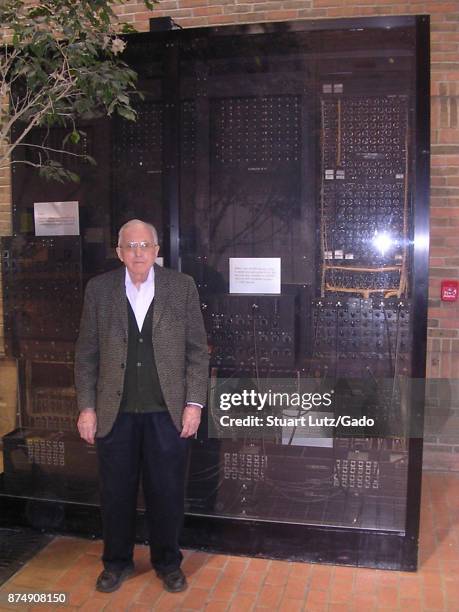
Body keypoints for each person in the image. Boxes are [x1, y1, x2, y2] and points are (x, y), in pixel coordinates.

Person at [74, 219, 209, 594]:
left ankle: (168, 563)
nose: (137, 253)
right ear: (119, 252)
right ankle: (116, 562)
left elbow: (198, 352)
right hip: (113, 414)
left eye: (144, 245)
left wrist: (194, 404)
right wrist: (87, 407)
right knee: (115, 492)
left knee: (167, 492)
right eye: (130, 246)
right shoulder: (98, 290)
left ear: (156, 250)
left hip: (168, 413)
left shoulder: (180, 287)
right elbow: (86, 355)